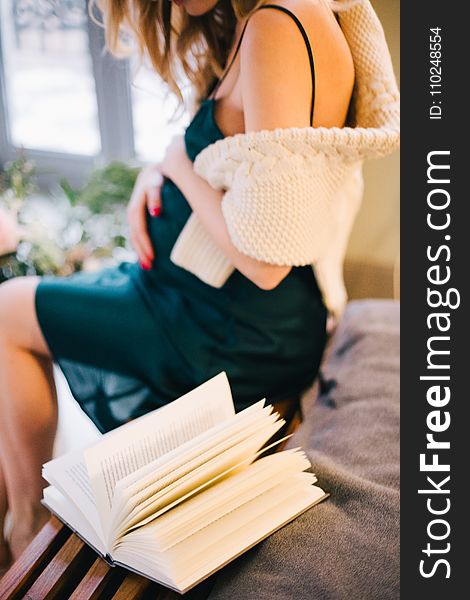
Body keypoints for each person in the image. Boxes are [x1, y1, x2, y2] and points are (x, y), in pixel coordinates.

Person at [0, 0, 393, 572]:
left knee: (7, 309)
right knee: (42, 299)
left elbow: (266, 262)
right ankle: (27, 511)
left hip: (229, 325)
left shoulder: (278, 28)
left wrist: (177, 161)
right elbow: (257, 181)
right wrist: (156, 175)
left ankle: (25, 524)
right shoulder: (274, 17)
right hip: (220, 304)